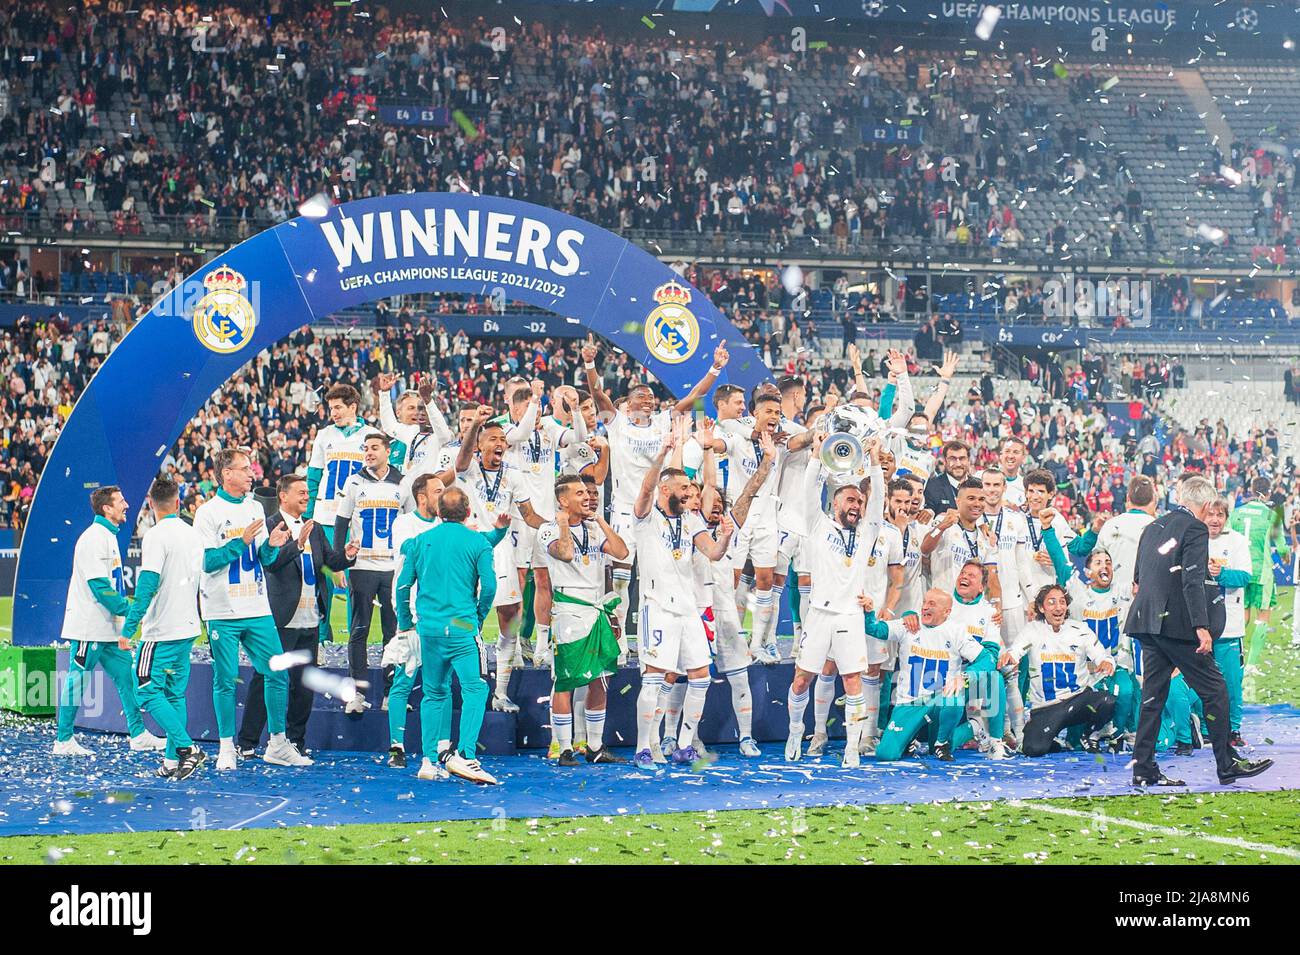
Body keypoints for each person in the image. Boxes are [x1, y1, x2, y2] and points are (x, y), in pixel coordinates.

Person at [1126, 476, 1272, 786]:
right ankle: (1226, 763)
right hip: (1175, 626)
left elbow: (1138, 578)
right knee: (1216, 689)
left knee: (1153, 696)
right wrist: (1201, 627)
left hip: (1147, 621)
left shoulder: (1153, 526)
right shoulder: (1194, 529)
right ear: (1205, 506)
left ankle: (1143, 768)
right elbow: (1192, 580)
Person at [195, 447, 311, 771]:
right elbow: (207, 561)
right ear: (227, 474)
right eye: (245, 469)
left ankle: (277, 743)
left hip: (257, 606)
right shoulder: (208, 512)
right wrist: (241, 542)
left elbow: (265, 562)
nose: (252, 474)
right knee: (225, 679)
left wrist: (273, 546)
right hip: (222, 609)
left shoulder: (255, 507)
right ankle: (227, 747)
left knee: (277, 671)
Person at [386, 473, 508, 769]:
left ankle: (428, 760)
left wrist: (404, 620)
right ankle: (466, 755)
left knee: (433, 691)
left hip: (428, 627)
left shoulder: (419, 542)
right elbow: (490, 587)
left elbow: (403, 585)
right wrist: (477, 618)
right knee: (475, 688)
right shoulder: (477, 542)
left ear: (439, 512)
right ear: (468, 513)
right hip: (463, 626)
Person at [630, 427, 734, 769]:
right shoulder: (645, 517)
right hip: (657, 607)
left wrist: (726, 538)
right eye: (684, 488)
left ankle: (685, 744)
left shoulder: (690, 522)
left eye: (691, 488)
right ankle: (644, 746)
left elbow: (713, 553)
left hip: (688, 609)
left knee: (701, 676)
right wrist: (662, 453)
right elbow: (645, 487)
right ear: (666, 489)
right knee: (654, 677)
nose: (691, 492)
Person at [237, 474, 357, 759]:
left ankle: (295, 742)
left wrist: (347, 556)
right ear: (283, 496)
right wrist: (297, 545)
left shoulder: (312, 528)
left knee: (303, 683)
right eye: (301, 492)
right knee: (266, 678)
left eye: (307, 492)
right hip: (281, 617)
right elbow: (272, 564)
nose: (306, 496)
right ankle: (248, 741)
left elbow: (329, 560)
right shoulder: (270, 525)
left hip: (310, 617)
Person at [785, 433, 884, 766]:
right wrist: (816, 455)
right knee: (802, 679)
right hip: (819, 615)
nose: (855, 506)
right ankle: (796, 732)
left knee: (852, 680)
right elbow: (807, 493)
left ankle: (852, 747)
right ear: (836, 503)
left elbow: (879, 499)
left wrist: (873, 460)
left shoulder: (868, 531)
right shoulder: (818, 525)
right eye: (849, 501)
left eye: (859, 502)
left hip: (851, 617)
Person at [437, 406, 544, 713]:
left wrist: (555, 525)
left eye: (502, 439)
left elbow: (529, 515)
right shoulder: (467, 467)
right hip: (468, 554)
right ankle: (463, 687)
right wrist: (476, 426)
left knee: (510, 620)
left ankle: (500, 692)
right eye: (492, 438)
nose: (500, 443)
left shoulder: (514, 475)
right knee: (466, 621)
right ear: (480, 444)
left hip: (501, 553)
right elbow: (459, 460)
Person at [54, 485, 166, 757]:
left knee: (127, 679)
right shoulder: (94, 538)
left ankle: (138, 734)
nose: (127, 505)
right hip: (90, 628)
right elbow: (99, 586)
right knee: (77, 681)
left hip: (108, 629)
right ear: (107, 508)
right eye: (121, 501)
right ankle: (63, 740)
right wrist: (129, 609)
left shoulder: (107, 535)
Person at [538, 474, 629, 766]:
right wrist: (564, 522)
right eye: (579, 493)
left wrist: (600, 520)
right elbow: (564, 554)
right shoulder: (548, 530)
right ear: (563, 500)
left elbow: (622, 552)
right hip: (568, 610)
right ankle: (564, 749)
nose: (587, 497)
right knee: (565, 681)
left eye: (588, 492)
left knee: (600, 680)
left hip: (595, 608)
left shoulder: (593, 529)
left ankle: (595, 747)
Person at [120, 477, 205, 779]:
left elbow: (146, 586)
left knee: (144, 690)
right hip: (188, 627)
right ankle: (172, 762)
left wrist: (128, 628)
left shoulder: (155, 536)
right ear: (179, 502)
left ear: (151, 504)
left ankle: (186, 748)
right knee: (174, 695)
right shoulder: (193, 534)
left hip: (161, 631)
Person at [866, 589, 984, 761]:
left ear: (946, 612)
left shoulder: (956, 631)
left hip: (939, 700)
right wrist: (868, 612)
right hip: (909, 702)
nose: (925, 607)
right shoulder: (909, 624)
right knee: (886, 754)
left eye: (932, 604)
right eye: (924, 602)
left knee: (954, 697)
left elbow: (986, 659)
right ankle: (909, 740)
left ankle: (950, 739)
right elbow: (875, 629)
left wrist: (966, 676)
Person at [333, 431, 404, 713]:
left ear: (388, 451)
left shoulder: (404, 482)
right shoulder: (354, 482)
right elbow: (340, 524)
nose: (369, 452)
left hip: (392, 569)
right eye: (366, 448)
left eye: (374, 448)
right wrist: (340, 563)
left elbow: (410, 525)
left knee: (393, 633)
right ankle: (357, 694)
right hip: (362, 567)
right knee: (358, 631)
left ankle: (390, 694)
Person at [1001, 584, 1117, 757]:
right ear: (1041, 607)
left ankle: (1089, 735)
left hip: (1078, 700)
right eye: (1052, 602)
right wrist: (1009, 657)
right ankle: (1050, 738)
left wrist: (1107, 662)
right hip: (1047, 708)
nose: (1058, 607)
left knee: (1108, 700)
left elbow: (1102, 655)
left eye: (1062, 602)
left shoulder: (1080, 629)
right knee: (1033, 749)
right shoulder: (1032, 630)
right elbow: (1016, 650)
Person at [305, 384, 369, 645]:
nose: (333, 413)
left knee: (356, 582)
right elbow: (313, 478)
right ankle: (320, 640)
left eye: (338, 408)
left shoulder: (371, 435)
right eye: (331, 408)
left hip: (357, 521)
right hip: (325, 518)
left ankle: (355, 641)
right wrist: (307, 517)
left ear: (353, 406)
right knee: (323, 582)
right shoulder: (324, 435)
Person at [1229, 476, 1289, 680]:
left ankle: (1231, 657)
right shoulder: (1271, 515)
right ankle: (1252, 665)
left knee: (1241, 615)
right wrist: (1286, 556)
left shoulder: (1236, 513)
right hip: (1261, 572)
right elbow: (1282, 548)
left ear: (1252, 490)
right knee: (1263, 617)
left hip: (1239, 571)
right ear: (1269, 492)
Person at [1205, 497, 1253, 746]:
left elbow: (1245, 576)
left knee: (1231, 682)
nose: (1214, 519)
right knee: (1199, 682)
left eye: (1219, 515)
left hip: (1229, 626)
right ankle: (1204, 727)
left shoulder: (1237, 541)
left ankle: (1233, 729)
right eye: (1210, 514)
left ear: (1226, 517)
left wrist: (1220, 574)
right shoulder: (1194, 539)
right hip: (1200, 625)